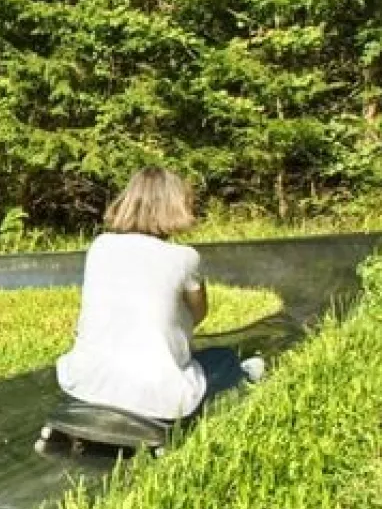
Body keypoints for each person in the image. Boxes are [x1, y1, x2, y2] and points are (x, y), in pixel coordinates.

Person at [56, 167, 263, 422]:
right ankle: (243, 375)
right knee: (223, 359)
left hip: (85, 380)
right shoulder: (185, 258)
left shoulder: (99, 247)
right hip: (154, 392)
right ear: (176, 206)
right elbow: (199, 313)